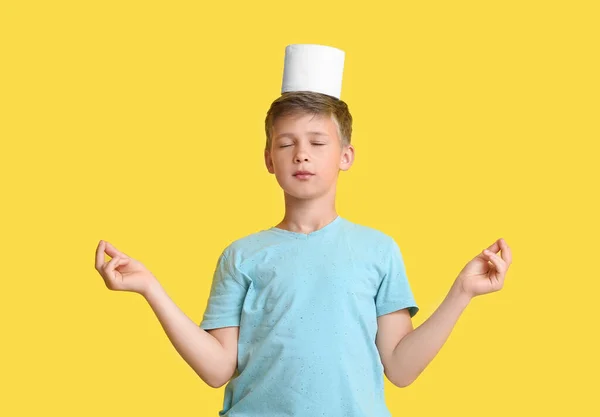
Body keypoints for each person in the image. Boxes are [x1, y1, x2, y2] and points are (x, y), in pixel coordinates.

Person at [94, 44, 513, 416]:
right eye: (286, 143)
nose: (301, 155)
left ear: (346, 156)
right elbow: (217, 369)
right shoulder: (242, 255)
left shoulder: (378, 250)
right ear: (268, 159)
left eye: (317, 142)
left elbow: (401, 369)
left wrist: (463, 292)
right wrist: (151, 289)